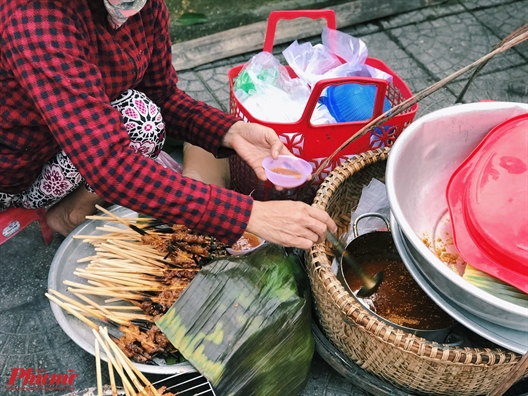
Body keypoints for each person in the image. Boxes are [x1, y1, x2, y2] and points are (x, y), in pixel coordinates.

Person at [0, 0, 336, 249]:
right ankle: (67, 214)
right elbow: (111, 165)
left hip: (75, 127)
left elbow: (161, 94)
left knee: (144, 113)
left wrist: (229, 131)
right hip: (19, 167)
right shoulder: (37, 17)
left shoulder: (139, 6)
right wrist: (250, 215)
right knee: (141, 121)